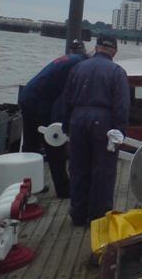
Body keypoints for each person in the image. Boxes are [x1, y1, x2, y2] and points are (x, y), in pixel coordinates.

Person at [64, 34, 129, 226]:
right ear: (114, 51)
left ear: (96, 47)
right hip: (103, 122)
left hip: (77, 119)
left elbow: (66, 99)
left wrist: (66, 124)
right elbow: (122, 106)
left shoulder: (78, 67)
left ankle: (77, 215)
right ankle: (98, 218)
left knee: (78, 168)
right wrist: (120, 131)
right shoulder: (117, 72)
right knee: (103, 170)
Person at [18, 39, 89, 198]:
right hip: (38, 103)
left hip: (28, 97)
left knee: (31, 146)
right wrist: (62, 125)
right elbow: (64, 98)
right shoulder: (77, 66)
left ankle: (28, 186)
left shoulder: (69, 59)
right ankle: (64, 190)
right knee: (54, 144)